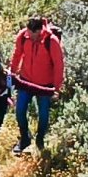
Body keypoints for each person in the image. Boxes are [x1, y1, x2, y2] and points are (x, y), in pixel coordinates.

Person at [9, 12, 65, 151]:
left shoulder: (51, 41)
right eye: (30, 33)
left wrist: (56, 88)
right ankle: (25, 138)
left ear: (41, 29)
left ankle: (40, 139)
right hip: (25, 81)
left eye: (35, 34)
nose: (32, 37)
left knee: (43, 114)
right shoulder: (23, 36)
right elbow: (17, 55)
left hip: (45, 85)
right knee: (20, 111)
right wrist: (11, 74)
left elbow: (58, 66)